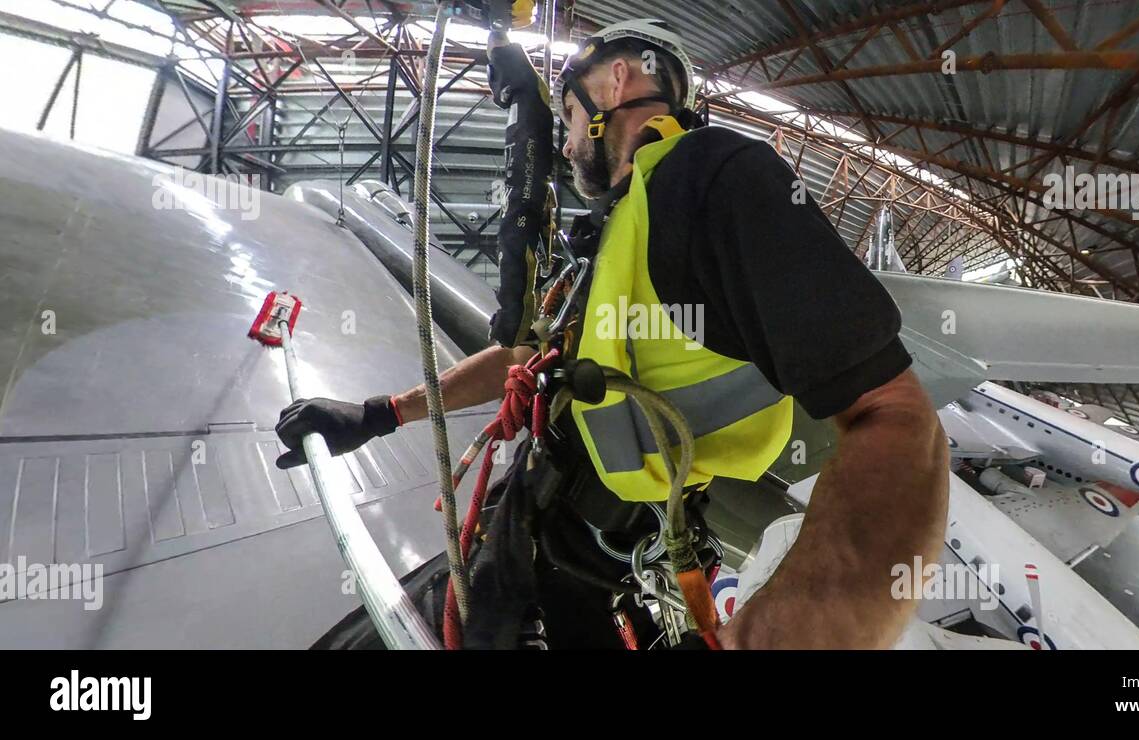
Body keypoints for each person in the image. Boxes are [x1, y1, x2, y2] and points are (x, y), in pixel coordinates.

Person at [277, 18, 948, 649]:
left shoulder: (710, 177)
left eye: (569, 118)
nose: (566, 144)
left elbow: (897, 423)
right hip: (524, 551)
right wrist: (380, 414)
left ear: (618, 82)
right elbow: (526, 361)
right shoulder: (622, 232)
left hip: (585, 573)